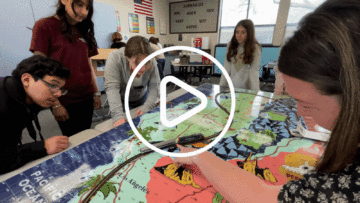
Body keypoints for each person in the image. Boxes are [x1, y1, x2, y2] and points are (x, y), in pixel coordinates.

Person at [174, 0, 360, 202]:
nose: (298, 112)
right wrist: (202, 156)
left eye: (307, 104)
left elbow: (267, 198)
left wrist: (255, 95)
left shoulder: (349, 185)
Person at [30, 0, 101, 137]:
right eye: (79, 4)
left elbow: (89, 64)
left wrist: (96, 92)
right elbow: (39, 67)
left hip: (86, 96)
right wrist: (55, 104)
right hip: (64, 99)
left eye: (87, 7)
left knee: (85, 135)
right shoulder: (45, 26)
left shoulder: (83, 29)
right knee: (73, 138)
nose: (84, 12)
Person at [0, 55, 71, 174]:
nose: (58, 94)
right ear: (26, 79)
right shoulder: (3, 105)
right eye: (53, 86)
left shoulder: (26, 95)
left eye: (60, 89)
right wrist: (42, 147)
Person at [105, 36, 160, 128]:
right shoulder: (115, 58)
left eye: (146, 63)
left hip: (142, 97)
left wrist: (148, 105)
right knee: (125, 127)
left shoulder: (151, 60)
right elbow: (112, 88)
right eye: (137, 63)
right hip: (121, 101)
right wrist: (118, 115)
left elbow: (154, 85)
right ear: (127, 58)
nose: (142, 68)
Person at [219, 19, 261, 92]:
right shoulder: (231, 45)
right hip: (231, 87)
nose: (239, 35)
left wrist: (256, 92)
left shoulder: (255, 48)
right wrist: (221, 87)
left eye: (243, 32)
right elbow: (226, 68)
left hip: (246, 89)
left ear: (249, 33)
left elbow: (253, 72)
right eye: (237, 32)